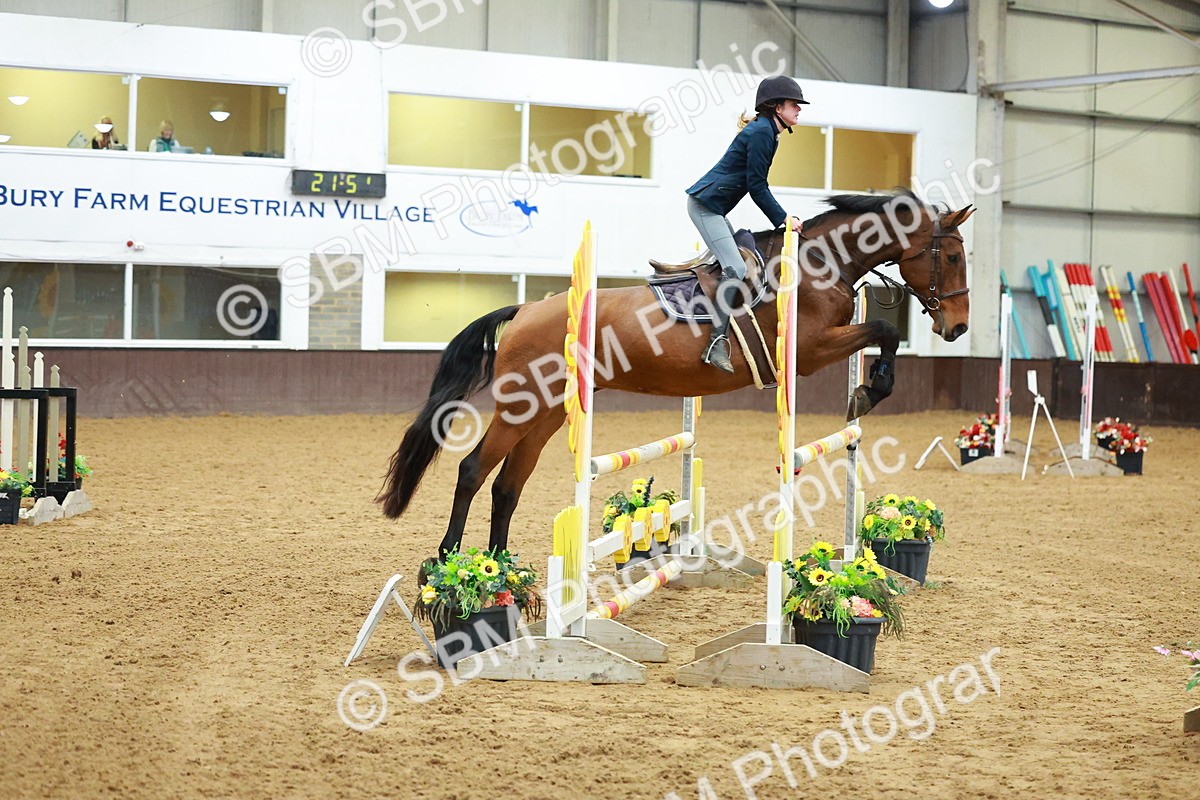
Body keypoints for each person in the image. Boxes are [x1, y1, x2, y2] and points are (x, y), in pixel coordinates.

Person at [685, 75, 808, 373]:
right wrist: (783, 219)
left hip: (714, 207)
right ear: (777, 107)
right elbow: (757, 185)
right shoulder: (762, 133)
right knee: (737, 269)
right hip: (706, 207)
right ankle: (715, 343)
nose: (799, 110)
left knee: (741, 263)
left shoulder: (768, 131)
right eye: (794, 104)